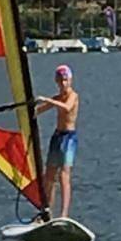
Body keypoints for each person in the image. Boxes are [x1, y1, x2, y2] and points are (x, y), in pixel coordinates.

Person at [35, 64, 79, 219]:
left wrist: (47, 100)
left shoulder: (73, 96)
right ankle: (47, 213)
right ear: (56, 81)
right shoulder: (57, 98)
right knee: (49, 176)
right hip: (57, 136)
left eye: (66, 80)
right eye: (60, 80)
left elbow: (67, 108)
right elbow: (38, 111)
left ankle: (64, 215)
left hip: (69, 138)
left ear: (70, 80)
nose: (63, 83)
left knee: (64, 176)